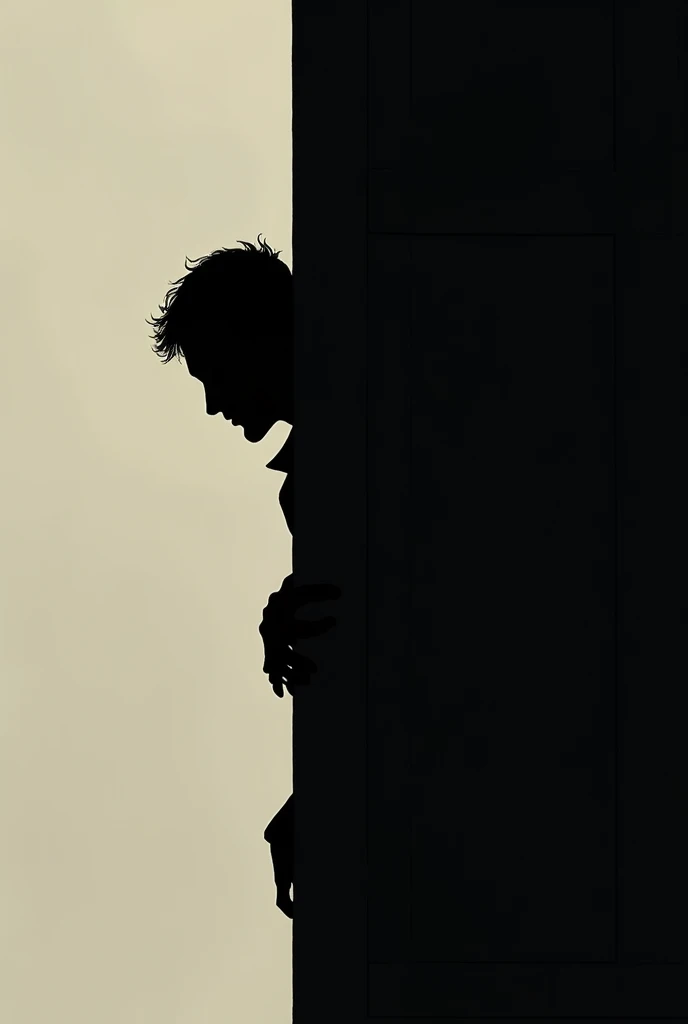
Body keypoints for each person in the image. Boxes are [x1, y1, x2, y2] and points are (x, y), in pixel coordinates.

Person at [146, 234, 340, 919]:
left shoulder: (354, 444)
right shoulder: (318, 473)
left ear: (256, 339)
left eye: (211, 373)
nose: (211, 404)